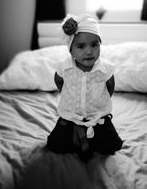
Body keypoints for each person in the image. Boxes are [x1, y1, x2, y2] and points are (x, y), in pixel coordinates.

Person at [47, 14, 123, 161]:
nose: (89, 51)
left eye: (94, 45)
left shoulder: (105, 69)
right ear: (71, 50)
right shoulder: (65, 68)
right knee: (55, 144)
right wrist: (69, 95)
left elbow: (110, 87)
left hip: (97, 116)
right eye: (81, 46)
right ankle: (79, 137)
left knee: (112, 145)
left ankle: (90, 138)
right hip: (70, 116)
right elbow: (59, 82)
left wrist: (100, 101)